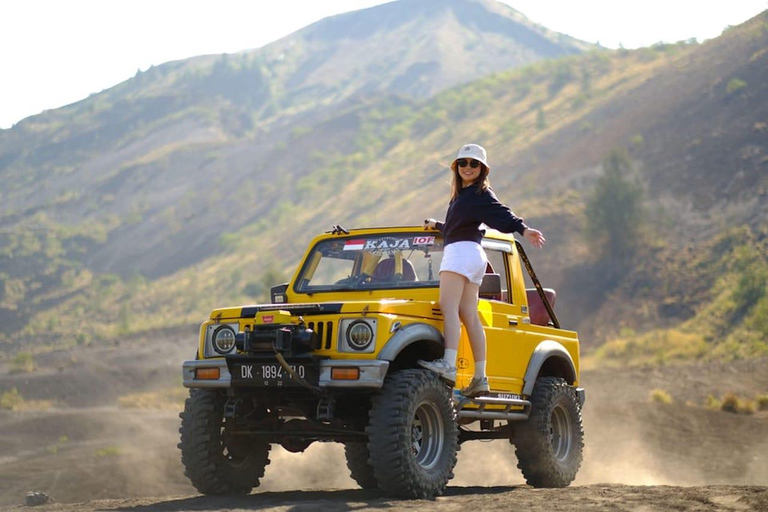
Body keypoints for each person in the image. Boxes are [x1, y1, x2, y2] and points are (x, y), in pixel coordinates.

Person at [419, 143, 545, 397]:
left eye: (473, 163)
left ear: (483, 169)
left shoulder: (479, 194)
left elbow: (501, 213)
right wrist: (438, 225)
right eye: (463, 163)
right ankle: (480, 377)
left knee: (448, 306)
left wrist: (523, 228)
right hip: (473, 255)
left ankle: (448, 365)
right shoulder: (463, 197)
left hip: (461, 255)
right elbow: (458, 229)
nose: (468, 167)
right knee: (469, 313)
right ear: (456, 167)